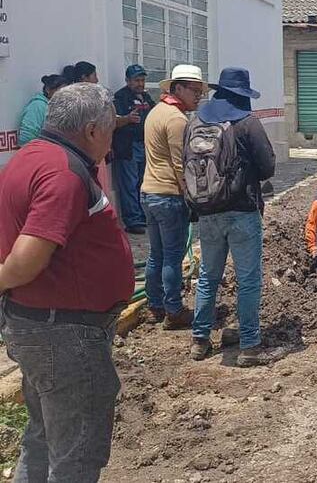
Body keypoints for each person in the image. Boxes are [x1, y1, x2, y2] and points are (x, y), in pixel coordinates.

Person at [0, 83, 134, 481]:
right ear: (92, 130)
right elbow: (25, 261)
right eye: (110, 131)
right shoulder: (62, 174)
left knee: (43, 437)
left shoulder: (29, 159)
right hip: (65, 335)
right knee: (75, 456)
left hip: (43, 327)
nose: (110, 143)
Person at [189, 67, 276, 366]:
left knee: (207, 277)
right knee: (248, 280)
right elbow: (267, 168)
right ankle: (249, 346)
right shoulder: (247, 122)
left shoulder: (197, 119)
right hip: (242, 211)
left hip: (207, 210)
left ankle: (200, 341)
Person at [141, 64, 205, 328]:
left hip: (149, 192)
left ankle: (154, 305)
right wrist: (191, 198)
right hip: (169, 195)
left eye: (200, 91)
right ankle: (174, 310)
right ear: (177, 88)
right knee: (172, 256)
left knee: (156, 254)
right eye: (194, 90)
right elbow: (182, 166)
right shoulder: (177, 120)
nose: (198, 96)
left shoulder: (156, 112)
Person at [112, 65, 155, 234]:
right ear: (128, 80)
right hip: (128, 147)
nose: (140, 83)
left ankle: (143, 215)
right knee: (129, 184)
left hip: (144, 145)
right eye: (137, 80)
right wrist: (127, 119)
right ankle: (133, 220)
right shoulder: (120, 97)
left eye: (142, 80)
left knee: (143, 183)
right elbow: (113, 121)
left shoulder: (146, 97)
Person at [17, 74, 66, 146]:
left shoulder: (58, 107)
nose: (64, 95)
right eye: (61, 91)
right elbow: (26, 137)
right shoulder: (38, 106)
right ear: (48, 90)